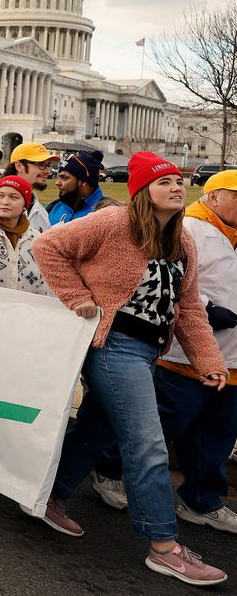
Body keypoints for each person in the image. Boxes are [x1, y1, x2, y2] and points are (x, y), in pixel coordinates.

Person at [31, 152, 228, 587]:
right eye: (164, 183)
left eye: (179, 181)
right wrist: (75, 296)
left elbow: (190, 308)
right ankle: (164, 548)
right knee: (148, 444)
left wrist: (209, 361)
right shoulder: (114, 223)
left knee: (97, 429)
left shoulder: (184, 242)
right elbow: (48, 246)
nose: (176, 187)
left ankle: (45, 495)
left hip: (147, 352)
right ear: (142, 192)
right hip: (111, 346)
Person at [92, 170, 237, 532]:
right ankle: (109, 469)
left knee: (217, 433)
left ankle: (201, 499)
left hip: (231, 359)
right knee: (160, 424)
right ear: (215, 196)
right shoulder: (190, 228)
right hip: (184, 356)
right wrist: (206, 306)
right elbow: (172, 279)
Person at [48, 149, 106, 225]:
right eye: (58, 177)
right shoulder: (53, 208)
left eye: (64, 178)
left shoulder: (104, 215)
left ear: (84, 182)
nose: (57, 183)